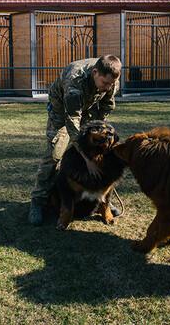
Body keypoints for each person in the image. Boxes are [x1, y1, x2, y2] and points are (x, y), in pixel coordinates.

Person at [29, 55, 122, 225]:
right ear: (95, 73)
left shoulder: (111, 79)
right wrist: (87, 160)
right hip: (62, 110)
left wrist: (98, 132)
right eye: (105, 84)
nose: (108, 88)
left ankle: (100, 198)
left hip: (88, 109)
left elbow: (107, 107)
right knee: (55, 154)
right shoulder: (75, 79)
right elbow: (72, 121)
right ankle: (38, 200)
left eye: (111, 84)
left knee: (98, 148)